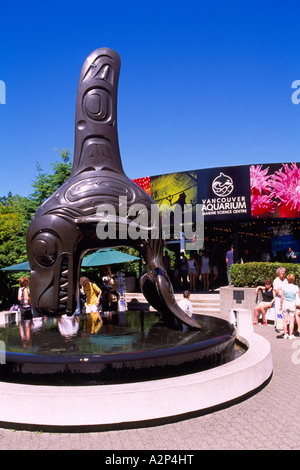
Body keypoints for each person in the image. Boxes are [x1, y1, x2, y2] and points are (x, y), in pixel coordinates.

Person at [280, 274, 299, 339]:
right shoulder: (296, 287)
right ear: (293, 279)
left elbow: (282, 297)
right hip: (292, 305)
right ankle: (290, 335)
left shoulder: (284, 287)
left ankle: (285, 334)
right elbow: (298, 297)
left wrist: (280, 306)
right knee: (291, 321)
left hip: (285, 304)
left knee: (285, 320)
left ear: (287, 280)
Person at [273, 267, 288, 332]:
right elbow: (275, 289)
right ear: (278, 273)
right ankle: (279, 327)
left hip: (285, 298)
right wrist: (281, 294)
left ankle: (285, 326)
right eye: (281, 271)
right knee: (279, 312)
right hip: (278, 298)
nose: (282, 273)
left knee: (284, 312)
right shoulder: (276, 280)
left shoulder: (285, 280)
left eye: (283, 271)